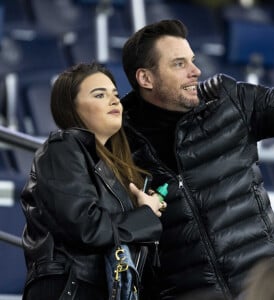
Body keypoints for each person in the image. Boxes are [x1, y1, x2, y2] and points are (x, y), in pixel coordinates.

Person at [121, 19, 274, 299]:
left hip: (264, 290)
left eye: (192, 61)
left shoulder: (230, 100)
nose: (196, 71)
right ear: (146, 79)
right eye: (179, 64)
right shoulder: (115, 143)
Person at [20, 62, 166, 300]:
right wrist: (144, 215)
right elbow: (86, 227)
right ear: (72, 108)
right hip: (71, 288)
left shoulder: (114, 166)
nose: (114, 101)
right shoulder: (62, 147)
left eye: (115, 94)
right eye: (100, 95)